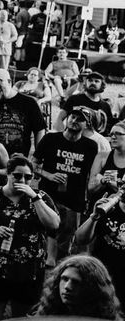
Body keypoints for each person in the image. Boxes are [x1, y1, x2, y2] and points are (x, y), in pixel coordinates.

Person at [0, 155, 60, 321]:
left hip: (29, 273)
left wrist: (35, 198)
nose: (23, 180)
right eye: (17, 175)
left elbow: (54, 224)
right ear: (8, 174)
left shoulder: (40, 197)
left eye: (28, 177)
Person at [33, 107, 100, 261]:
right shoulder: (51, 139)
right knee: (41, 234)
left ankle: (59, 271)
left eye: (80, 119)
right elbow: (33, 163)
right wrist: (49, 175)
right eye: (72, 117)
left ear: (87, 124)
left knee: (65, 241)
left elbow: (92, 173)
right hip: (48, 196)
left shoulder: (91, 146)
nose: (74, 121)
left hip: (74, 200)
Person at [32, 254, 123, 320]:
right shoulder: (49, 310)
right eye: (64, 279)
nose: (67, 287)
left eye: (76, 282)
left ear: (92, 287)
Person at [0, 68, 45, 158]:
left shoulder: (28, 102)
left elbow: (39, 129)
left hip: (19, 159)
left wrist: (38, 155)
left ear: (9, 82)